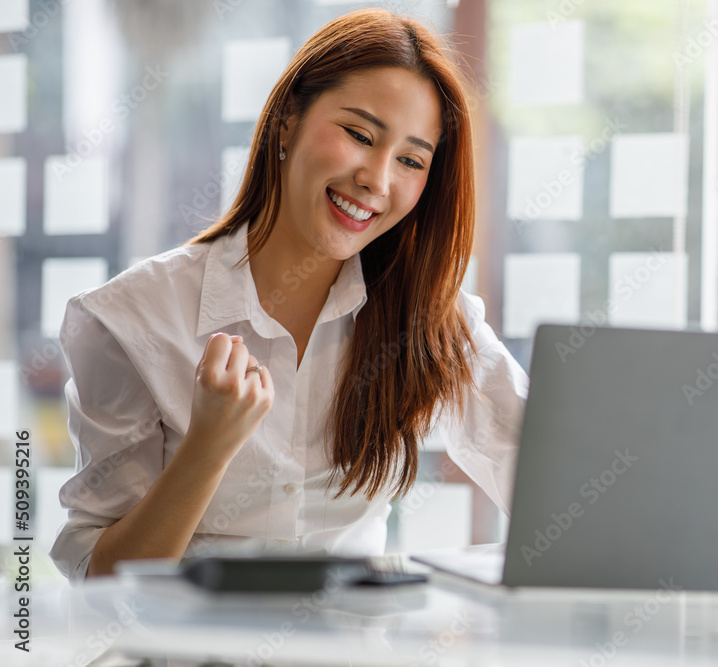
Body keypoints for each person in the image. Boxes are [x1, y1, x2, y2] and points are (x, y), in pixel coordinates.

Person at [50, 9, 528, 582]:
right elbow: (98, 580)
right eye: (359, 135)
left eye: (410, 160)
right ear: (286, 121)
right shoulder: (129, 319)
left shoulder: (429, 319)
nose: (377, 179)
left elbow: (553, 487)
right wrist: (207, 447)